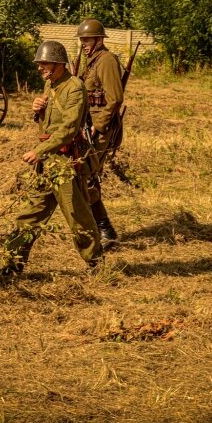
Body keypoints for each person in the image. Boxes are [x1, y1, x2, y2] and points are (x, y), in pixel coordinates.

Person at [0, 40, 103, 278]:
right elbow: (50, 122)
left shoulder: (74, 87)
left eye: (43, 63)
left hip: (65, 163)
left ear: (57, 64)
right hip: (48, 163)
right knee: (30, 214)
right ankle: (11, 263)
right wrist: (38, 110)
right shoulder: (51, 85)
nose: (39, 68)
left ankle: (97, 263)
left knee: (78, 216)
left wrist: (40, 150)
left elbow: (68, 128)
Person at [76, 18, 123, 250]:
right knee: (86, 178)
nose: (83, 43)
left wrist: (99, 124)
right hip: (87, 127)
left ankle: (105, 231)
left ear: (99, 39)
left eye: (87, 39)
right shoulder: (91, 61)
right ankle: (102, 229)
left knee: (88, 178)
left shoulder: (106, 61)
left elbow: (115, 98)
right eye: (82, 40)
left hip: (99, 130)